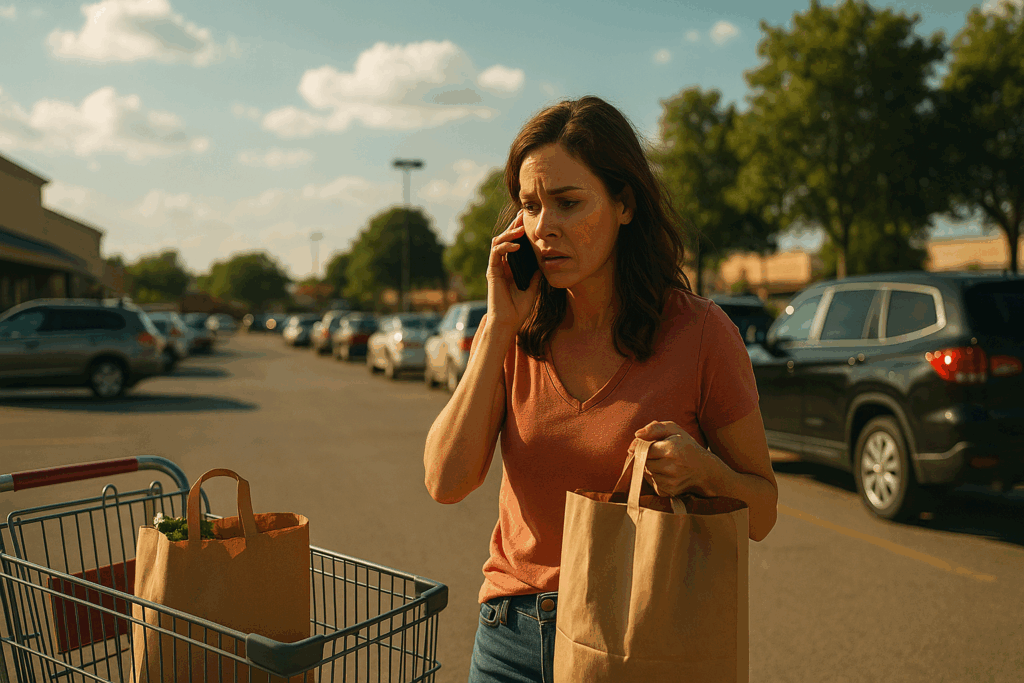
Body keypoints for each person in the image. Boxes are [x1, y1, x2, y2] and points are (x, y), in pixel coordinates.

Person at [423, 96, 779, 683]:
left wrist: (705, 472)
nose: (544, 227)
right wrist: (499, 329)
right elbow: (445, 481)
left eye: (568, 203)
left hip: (637, 638)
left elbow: (762, 510)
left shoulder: (699, 334)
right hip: (508, 639)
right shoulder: (511, 330)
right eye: (530, 206)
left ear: (624, 204)